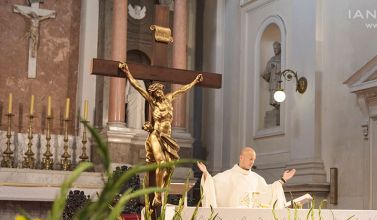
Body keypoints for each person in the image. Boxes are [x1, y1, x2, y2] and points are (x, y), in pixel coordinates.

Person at [119, 62, 203, 206]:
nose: (157, 93)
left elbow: (183, 90)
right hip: (156, 135)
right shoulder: (153, 102)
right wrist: (128, 73)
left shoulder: (169, 98)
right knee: (162, 163)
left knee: (170, 166)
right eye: (154, 92)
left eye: (158, 91)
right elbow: (138, 87)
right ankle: (157, 195)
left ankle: (163, 191)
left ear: (161, 90)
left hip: (167, 137)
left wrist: (194, 81)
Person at [197, 147, 296, 208]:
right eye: (250, 159)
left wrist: (282, 180)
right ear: (241, 158)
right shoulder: (227, 176)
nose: (252, 162)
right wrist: (206, 174)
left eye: (254, 159)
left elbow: (269, 192)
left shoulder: (257, 179)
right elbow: (212, 186)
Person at [261, 41, 282, 109]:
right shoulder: (272, 59)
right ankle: (275, 105)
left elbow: (285, 69)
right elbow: (267, 70)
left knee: (279, 94)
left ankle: (278, 105)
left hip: (279, 80)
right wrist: (265, 73)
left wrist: (276, 65)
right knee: (273, 96)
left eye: (276, 48)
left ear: (280, 48)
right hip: (273, 81)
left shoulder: (283, 58)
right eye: (274, 49)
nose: (274, 50)